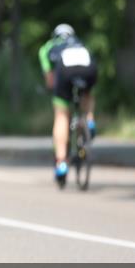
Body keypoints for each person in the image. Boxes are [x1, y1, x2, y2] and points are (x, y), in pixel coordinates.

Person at [38, 23, 98, 186]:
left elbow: (50, 80)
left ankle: (61, 163)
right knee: (88, 94)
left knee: (61, 114)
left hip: (65, 72)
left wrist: (55, 92)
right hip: (88, 69)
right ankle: (90, 120)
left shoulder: (48, 47)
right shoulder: (80, 43)